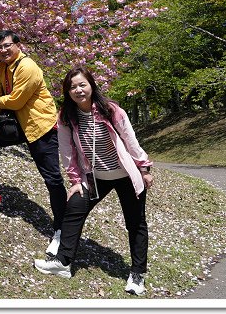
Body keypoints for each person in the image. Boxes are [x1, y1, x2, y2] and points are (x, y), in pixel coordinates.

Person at [33, 66, 153, 296]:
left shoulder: (110, 110)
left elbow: (130, 140)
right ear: (67, 92)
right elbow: (68, 152)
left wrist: (145, 168)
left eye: (82, 85)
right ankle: (63, 262)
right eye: (72, 87)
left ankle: (138, 275)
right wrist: (76, 180)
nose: (78, 90)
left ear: (91, 85)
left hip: (126, 175)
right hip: (96, 178)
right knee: (74, 207)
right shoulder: (67, 117)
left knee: (135, 223)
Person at [0, 30, 67, 256]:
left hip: (41, 126)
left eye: (7, 45)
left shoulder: (28, 67)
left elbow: (13, 101)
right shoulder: (2, 67)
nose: (2, 50)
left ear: (18, 45)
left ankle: (62, 230)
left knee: (52, 178)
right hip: (20, 123)